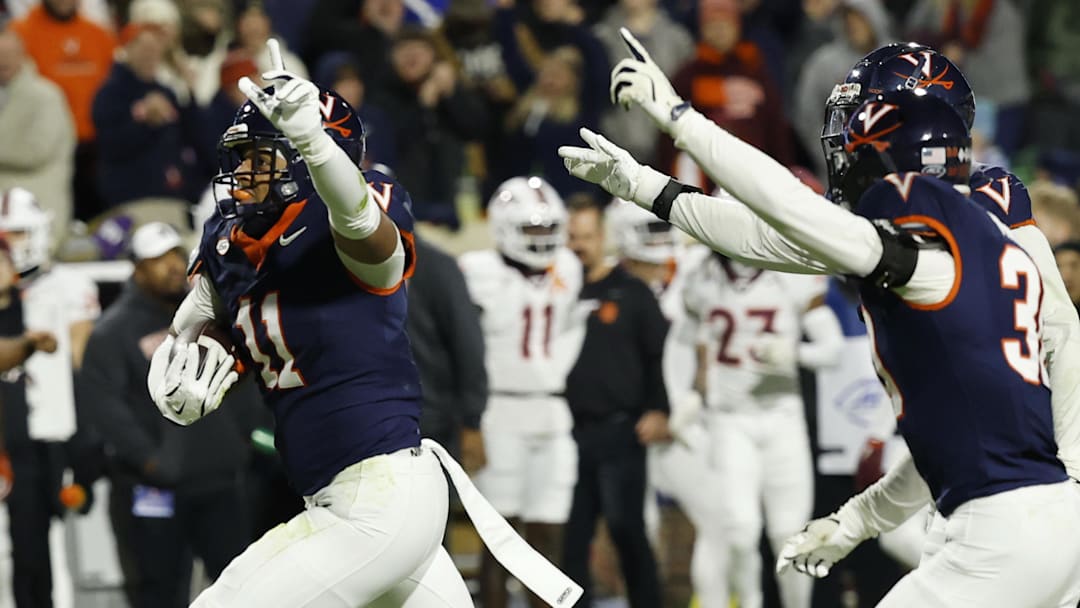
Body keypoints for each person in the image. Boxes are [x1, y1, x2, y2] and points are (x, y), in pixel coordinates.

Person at [561, 29, 1080, 606]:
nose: (844, 153)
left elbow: (1062, 332)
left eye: (864, 133)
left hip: (1006, 520)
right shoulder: (971, 237)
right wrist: (644, 186)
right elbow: (771, 235)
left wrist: (680, 119)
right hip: (1018, 506)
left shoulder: (930, 244)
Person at [146, 40, 580, 607]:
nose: (242, 173)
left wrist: (314, 143)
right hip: (347, 496)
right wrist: (186, 368)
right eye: (241, 156)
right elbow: (208, 325)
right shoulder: (234, 241)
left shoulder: (355, 214)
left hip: (377, 497)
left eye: (261, 157)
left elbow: (366, 231)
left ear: (306, 158)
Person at [80, 222, 260, 608]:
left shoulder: (212, 319)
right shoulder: (112, 332)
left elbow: (241, 379)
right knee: (158, 592)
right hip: (154, 488)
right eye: (158, 260)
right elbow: (105, 407)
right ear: (137, 268)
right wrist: (151, 461)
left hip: (219, 480)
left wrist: (242, 438)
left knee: (243, 589)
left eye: (176, 255)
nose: (173, 267)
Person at [677, 241, 843, 608]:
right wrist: (689, 394)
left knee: (792, 535)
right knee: (739, 530)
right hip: (729, 419)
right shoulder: (700, 276)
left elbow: (833, 350)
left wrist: (794, 353)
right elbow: (688, 343)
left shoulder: (791, 275)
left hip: (783, 418)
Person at [458, 175, 584, 608]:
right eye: (532, 229)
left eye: (548, 228)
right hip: (501, 411)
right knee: (501, 538)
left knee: (550, 534)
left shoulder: (568, 267)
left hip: (553, 411)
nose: (542, 239)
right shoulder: (478, 271)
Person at [561, 198, 667, 608]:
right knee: (574, 537)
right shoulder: (560, 291)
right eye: (572, 237)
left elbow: (657, 354)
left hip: (621, 430)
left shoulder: (632, 292)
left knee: (627, 528)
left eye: (586, 237)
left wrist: (659, 409)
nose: (578, 246)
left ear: (603, 238)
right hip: (570, 432)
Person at [0, 186, 99, 608]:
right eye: (8, 235)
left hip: (52, 433)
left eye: (21, 233)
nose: (14, 244)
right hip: (13, 434)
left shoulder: (67, 286)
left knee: (48, 551)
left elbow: (80, 367)